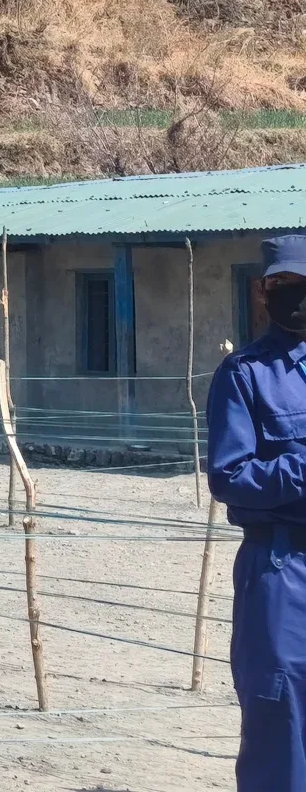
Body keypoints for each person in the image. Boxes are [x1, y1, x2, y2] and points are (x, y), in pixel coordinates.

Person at [210, 233, 306, 791]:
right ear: (263, 292)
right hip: (283, 567)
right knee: (280, 713)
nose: (295, 294)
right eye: (282, 284)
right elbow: (229, 477)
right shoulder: (245, 373)